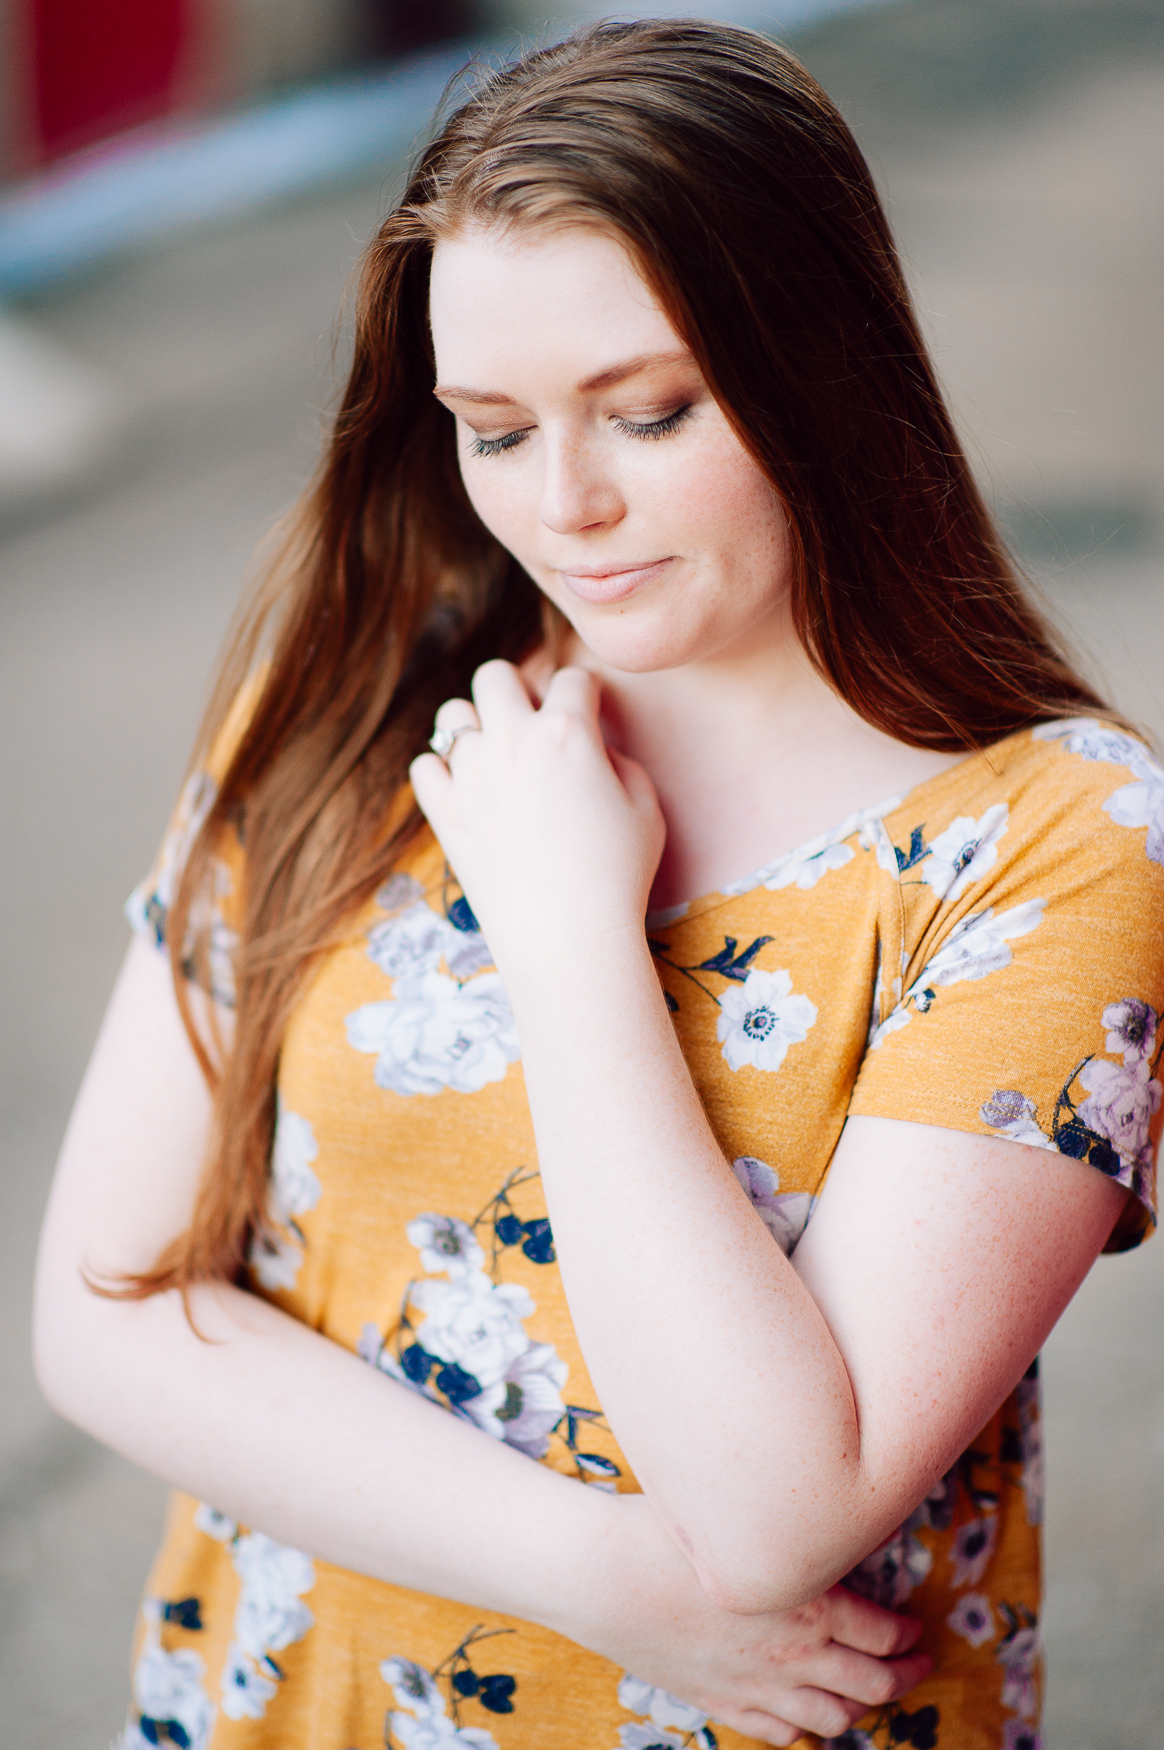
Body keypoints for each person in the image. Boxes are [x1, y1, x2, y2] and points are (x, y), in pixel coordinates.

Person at [33, 19, 1163, 1750]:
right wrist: (607, 1575)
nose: (562, 507)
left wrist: (570, 937)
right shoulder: (354, 697)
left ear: (823, 366)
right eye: (490, 427)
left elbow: (784, 1506)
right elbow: (109, 1312)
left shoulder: (1054, 845)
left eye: (650, 412)